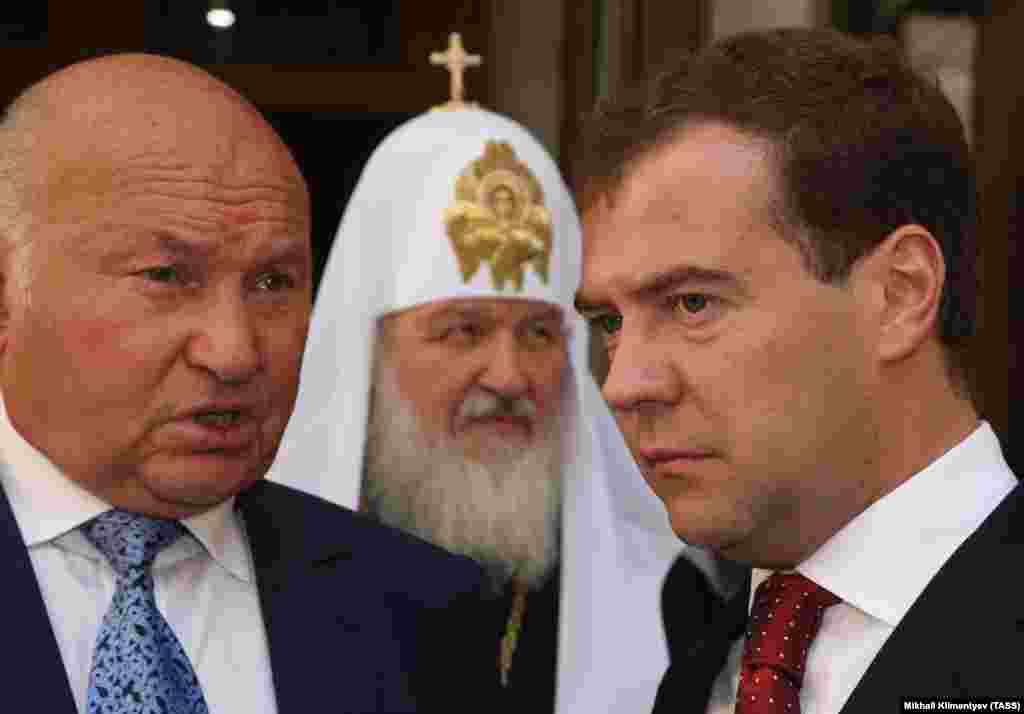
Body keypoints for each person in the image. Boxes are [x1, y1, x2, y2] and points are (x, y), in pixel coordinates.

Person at [0, 53, 499, 713]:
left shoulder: (422, 612)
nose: (234, 353)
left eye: (272, 283)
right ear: (9, 294)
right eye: (167, 276)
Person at [574, 27, 1022, 712]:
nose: (624, 384)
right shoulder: (704, 672)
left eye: (692, 303)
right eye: (610, 322)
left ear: (900, 293)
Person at [267, 103, 733, 713]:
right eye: (464, 331)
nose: (510, 377)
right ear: (370, 357)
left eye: (540, 335)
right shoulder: (258, 581)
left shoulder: (672, 600)